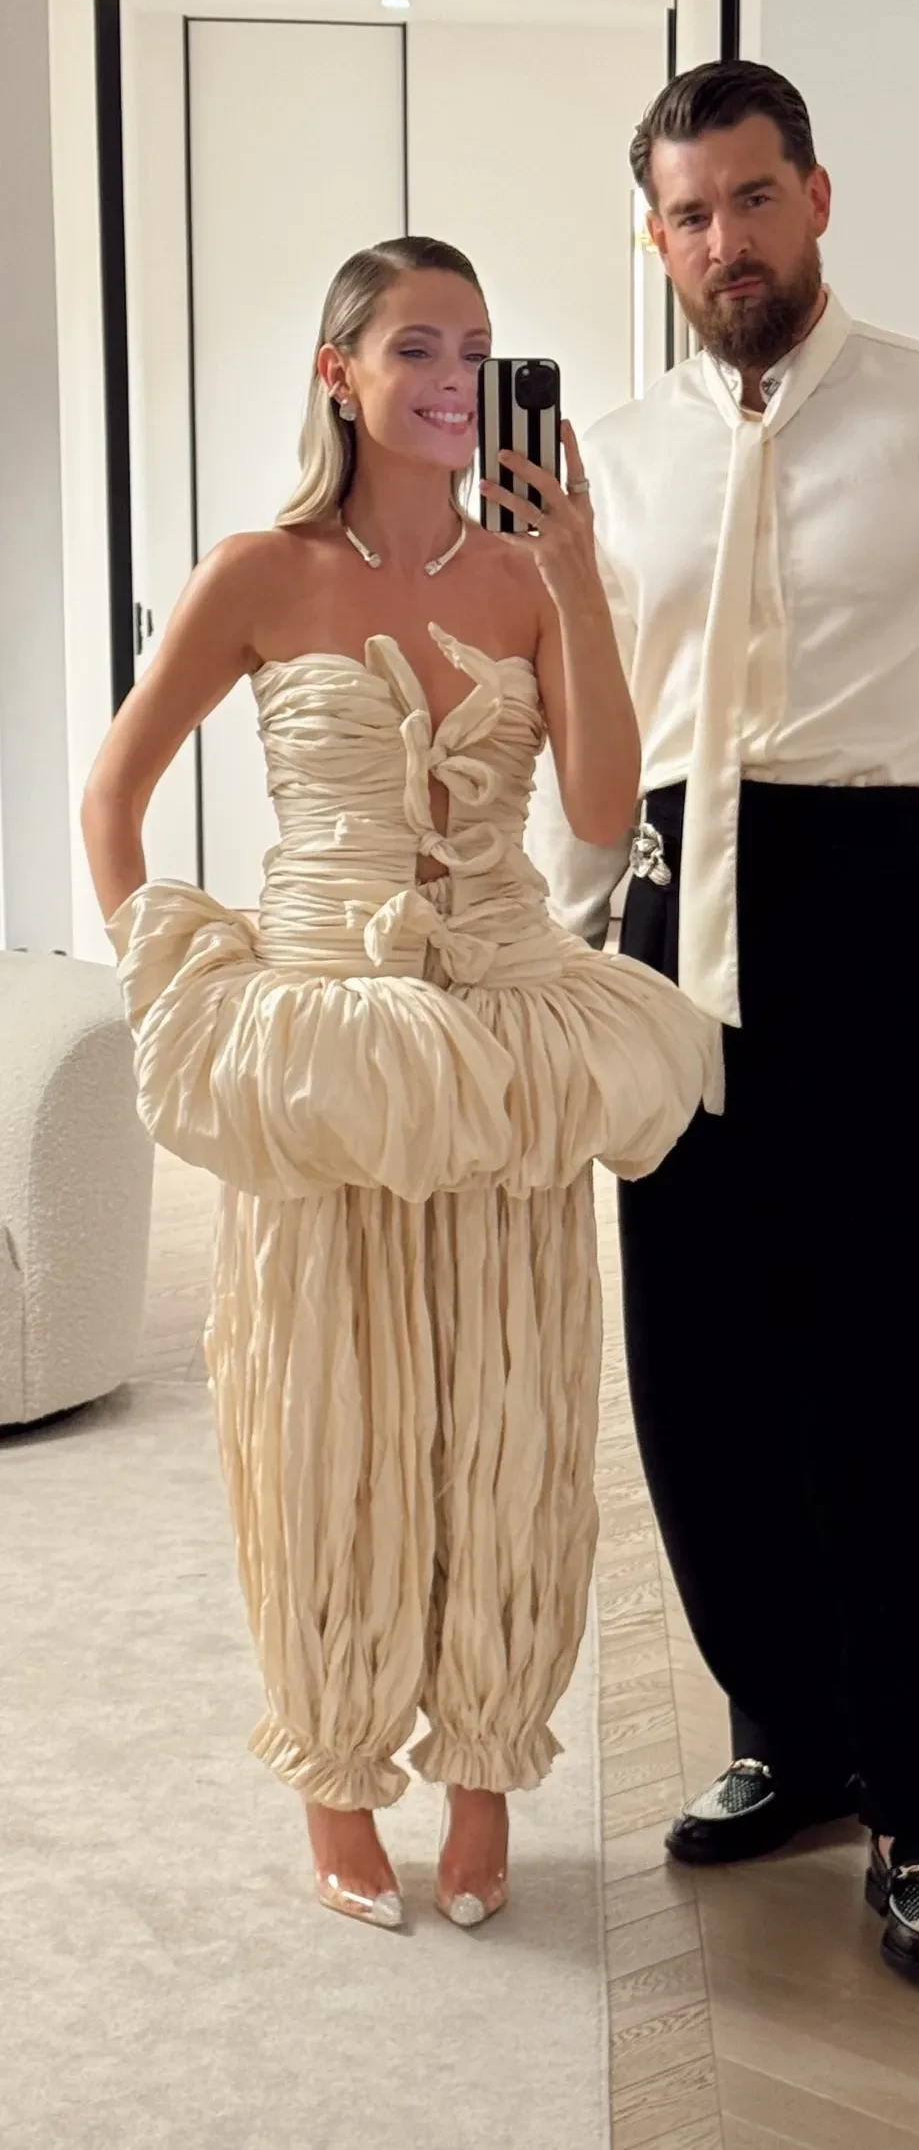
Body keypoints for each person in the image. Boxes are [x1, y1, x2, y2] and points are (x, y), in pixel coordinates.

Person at [527, 62, 919, 1988]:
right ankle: (790, 1743)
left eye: (751, 198)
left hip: (888, 909)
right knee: (700, 1373)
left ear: (816, 197)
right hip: (670, 919)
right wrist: (561, 934)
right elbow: (596, 719)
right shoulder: (614, 458)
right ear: (653, 240)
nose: (722, 242)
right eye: (687, 215)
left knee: (897, 1374)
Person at [82, 235, 717, 1936]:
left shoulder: (530, 575)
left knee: (503, 1409)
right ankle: (339, 1769)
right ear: (339, 372)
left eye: (478, 350)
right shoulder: (260, 572)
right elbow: (114, 795)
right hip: (323, 1045)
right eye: (419, 347)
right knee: (326, 1413)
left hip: (499, 1034)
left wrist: (574, 578)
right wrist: (171, 973)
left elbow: (601, 811)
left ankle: (485, 1770)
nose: (453, 379)